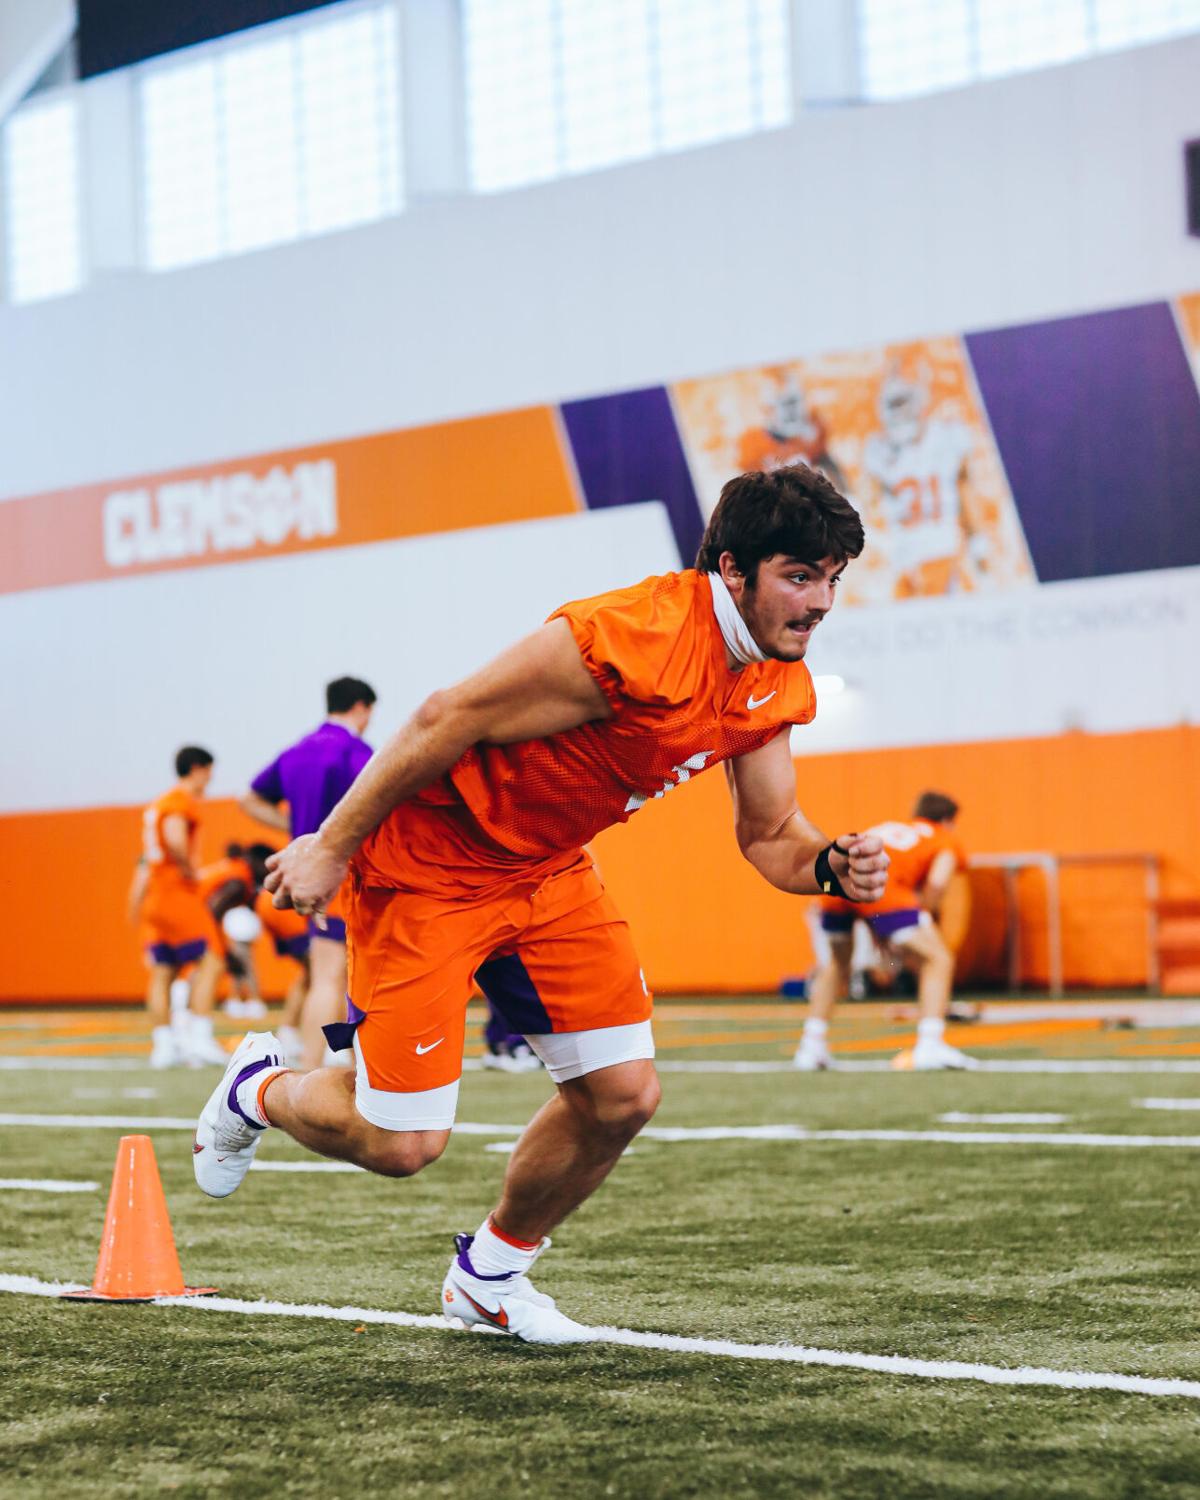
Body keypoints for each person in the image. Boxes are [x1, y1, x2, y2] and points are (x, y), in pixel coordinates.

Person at [193, 466, 888, 1342]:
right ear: (733, 571)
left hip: (549, 874)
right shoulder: (631, 636)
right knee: (403, 1144)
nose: (822, 599)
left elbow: (771, 831)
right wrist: (331, 847)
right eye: (800, 574)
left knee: (624, 1096)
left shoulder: (776, 677)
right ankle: (258, 1089)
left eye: (833, 577)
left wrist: (829, 863)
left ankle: (489, 1274)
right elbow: (448, 715)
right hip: (433, 869)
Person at [238, 677, 376, 1069]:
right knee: (347, 979)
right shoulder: (356, 750)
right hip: (349, 875)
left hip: (310, 873)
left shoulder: (296, 751)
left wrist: (299, 831)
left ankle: (319, 1067)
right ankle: (326, 1067)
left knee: (323, 978)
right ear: (362, 707)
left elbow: (248, 799)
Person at [794, 791, 973, 1072]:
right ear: (948, 820)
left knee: (836, 965)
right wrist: (916, 918)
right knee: (938, 959)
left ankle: (811, 1046)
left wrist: (882, 927)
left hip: (837, 884)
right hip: (881, 890)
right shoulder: (944, 840)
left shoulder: (895, 829)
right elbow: (937, 885)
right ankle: (930, 1044)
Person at [134, 746, 228, 1068]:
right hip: (176, 892)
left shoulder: (158, 805)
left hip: (156, 895)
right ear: (198, 768)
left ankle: (164, 1046)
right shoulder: (178, 801)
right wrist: (190, 871)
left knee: (164, 971)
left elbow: (146, 863)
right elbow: (175, 839)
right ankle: (200, 1037)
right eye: (209, 770)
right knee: (214, 957)